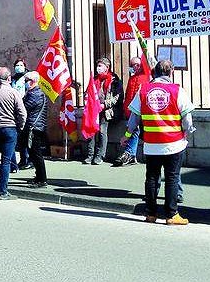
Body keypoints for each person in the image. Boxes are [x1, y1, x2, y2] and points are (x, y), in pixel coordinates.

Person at [126, 59, 194, 225]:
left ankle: (150, 213)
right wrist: (188, 131)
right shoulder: (177, 90)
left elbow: (133, 118)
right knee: (171, 178)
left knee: (151, 177)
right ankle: (172, 215)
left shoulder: (143, 90)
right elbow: (187, 119)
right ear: (170, 73)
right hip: (174, 142)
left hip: (151, 144)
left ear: (154, 72)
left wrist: (127, 135)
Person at [0, 67, 27, 200]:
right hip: (9, 128)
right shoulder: (13, 93)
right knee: (6, 160)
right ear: (9, 78)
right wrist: (20, 126)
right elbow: (22, 113)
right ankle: (3, 191)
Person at [83, 58, 124, 165]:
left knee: (102, 131)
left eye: (101, 66)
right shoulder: (94, 79)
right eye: (98, 65)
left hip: (106, 110)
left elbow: (117, 97)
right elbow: (88, 92)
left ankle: (100, 156)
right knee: (91, 131)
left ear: (107, 67)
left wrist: (104, 104)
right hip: (93, 110)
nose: (98, 68)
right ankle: (90, 155)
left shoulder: (114, 81)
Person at [115, 56, 147, 166]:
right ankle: (130, 154)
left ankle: (130, 153)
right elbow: (129, 95)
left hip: (143, 111)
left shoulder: (146, 76)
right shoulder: (132, 78)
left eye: (137, 64)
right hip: (132, 111)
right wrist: (126, 109)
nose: (135, 66)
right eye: (133, 64)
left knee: (136, 132)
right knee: (134, 131)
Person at [22, 71, 48, 188]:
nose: (25, 83)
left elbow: (24, 107)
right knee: (33, 153)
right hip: (36, 126)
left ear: (32, 81)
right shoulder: (34, 92)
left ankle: (42, 180)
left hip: (34, 127)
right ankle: (38, 177)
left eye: (26, 81)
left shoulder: (35, 94)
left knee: (36, 154)